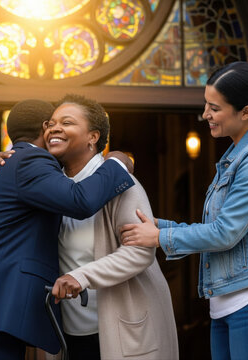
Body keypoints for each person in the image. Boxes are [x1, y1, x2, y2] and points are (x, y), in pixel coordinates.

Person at [120, 61, 248, 359]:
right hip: (229, 303)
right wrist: (159, 226)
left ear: (245, 112)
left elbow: (225, 233)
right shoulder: (236, 154)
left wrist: (159, 238)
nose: (205, 114)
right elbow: (220, 227)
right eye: (206, 104)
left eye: (214, 108)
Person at [0, 99, 135, 360]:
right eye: (54, 123)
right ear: (45, 128)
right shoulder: (31, 160)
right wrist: (119, 160)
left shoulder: (15, 161)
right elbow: (80, 200)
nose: (58, 130)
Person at [45, 94, 178, 360]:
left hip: (121, 330)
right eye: (50, 123)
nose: (54, 128)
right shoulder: (52, 186)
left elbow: (140, 252)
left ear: (93, 137)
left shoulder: (121, 182)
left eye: (67, 122)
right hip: (69, 334)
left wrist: (81, 276)